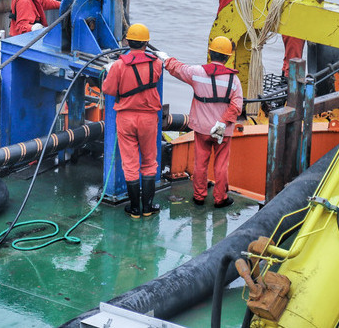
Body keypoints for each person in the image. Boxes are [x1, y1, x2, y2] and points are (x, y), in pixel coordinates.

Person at [164, 36, 243, 208]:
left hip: (201, 129)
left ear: (210, 53)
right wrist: (222, 123)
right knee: (221, 165)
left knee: (200, 163)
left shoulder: (197, 73)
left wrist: (165, 59)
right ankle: (220, 198)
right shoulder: (234, 81)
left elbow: (177, 68)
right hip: (223, 131)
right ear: (228, 57)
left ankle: (199, 196)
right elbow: (237, 107)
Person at [101, 23, 163, 218]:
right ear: (146, 43)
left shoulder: (119, 65)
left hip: (126, 118)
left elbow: (108, 90)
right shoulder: (157, 63)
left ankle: (135, 208)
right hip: (148, 119)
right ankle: (148, 207)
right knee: (149, 161)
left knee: (130, 163)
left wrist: (111, 70)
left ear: (127, 41)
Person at [282, 0, 321, 76]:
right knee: (293, 57)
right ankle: (290, 83)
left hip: (297, 26)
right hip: (293, 27)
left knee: (291, 56)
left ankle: (286, 78)